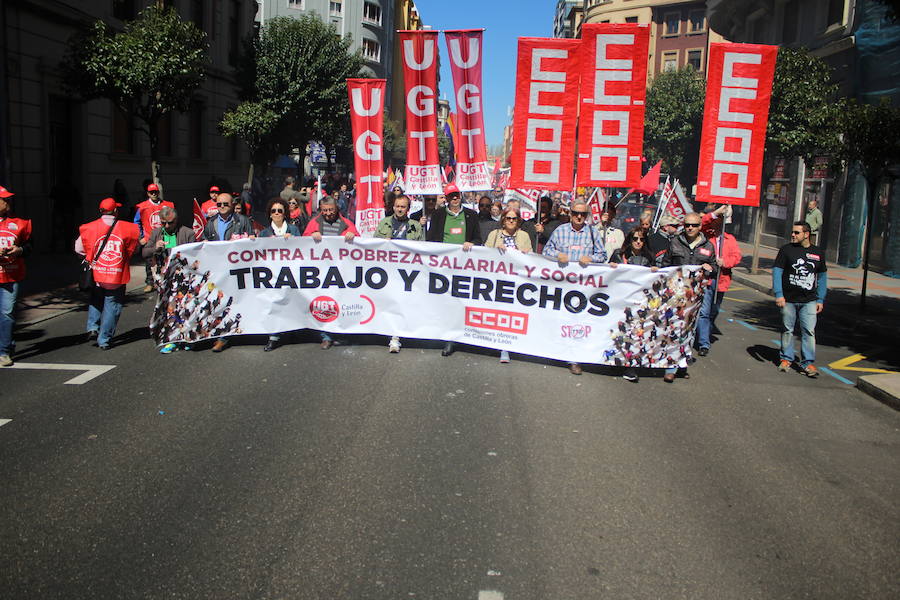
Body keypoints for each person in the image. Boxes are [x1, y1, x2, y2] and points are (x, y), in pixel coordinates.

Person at [542, 200, 607, 375]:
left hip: (583, 287)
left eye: (583, 214)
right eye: (576, 213)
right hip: (562, 284)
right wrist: (558, 255)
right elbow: (546, 251)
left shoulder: (593, 233)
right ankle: (557, 350)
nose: (579, 217)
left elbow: (602, 255)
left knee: (578, 322)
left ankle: (575, 359)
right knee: (561, 319)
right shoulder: (560, 231)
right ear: (570, 213)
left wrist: (591, 259)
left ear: (587, 216)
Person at [75, 198, 140, 350]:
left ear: (100, 211)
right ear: (116, 211)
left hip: (97, 273)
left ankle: (92, 327)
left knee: (96, 299)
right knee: (113, 305)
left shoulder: (89, 228)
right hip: (116, 274)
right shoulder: (128, 228)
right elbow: (134, 250)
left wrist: (90, 255)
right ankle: (104, 339)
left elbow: (79, 248)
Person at [426, 183, 481, 357]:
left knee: (459, 301)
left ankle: (455, 337)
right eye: (451, 196)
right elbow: (431, 239)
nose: (455, 198)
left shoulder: (471, 215)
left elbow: (478, 238)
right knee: (443, 301)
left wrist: (472, 243)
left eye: (456, 195)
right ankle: (446, 335)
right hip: (443, 266)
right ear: (446, 198)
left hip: (464, 266)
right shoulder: (437, 214)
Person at [663, 212, 716, 382]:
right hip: (677, 292)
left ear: (700, 226)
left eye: (694, 225)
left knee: (690, 329)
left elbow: (714, 267)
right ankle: (670, 367)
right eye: (687, 225)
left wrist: (711, 267)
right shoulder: (675, 242)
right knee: (675, 327)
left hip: (698, 293)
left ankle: (682, 364)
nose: (690, 228)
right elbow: (665, 265)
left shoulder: (708, 246)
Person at [773, 221, 827, 378]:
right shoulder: (786, 250)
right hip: (788, 299)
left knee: (809, 332)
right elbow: (777, 272)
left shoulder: (818, 253)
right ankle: (786, 359)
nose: (793, 235)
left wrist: (820, 299)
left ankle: (808, 362)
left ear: (806, 234)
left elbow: (822, 277)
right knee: (787, 329)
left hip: (809, 300)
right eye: (792, 232)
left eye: (796, 232)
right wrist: (779, 294)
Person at [303, 197, 359, 349]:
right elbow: (302, 244)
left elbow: (360, 245)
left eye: (330, 210)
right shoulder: (314, 223)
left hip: (341, 271)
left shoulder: (347, 224)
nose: (327, 213)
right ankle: (326, 336)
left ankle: (340, 333)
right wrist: (310, 236)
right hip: (321, 271)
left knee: (341, 301)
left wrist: (353, 236)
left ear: (337, 209)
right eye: (324, 210)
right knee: (323, 302)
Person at [202, 193, 254, 352]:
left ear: (232, 204)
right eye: (219, 204)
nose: (222, 207)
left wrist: (252, 239)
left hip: (237, 269)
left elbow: (252, 243)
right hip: (218, 270)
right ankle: (218, 333)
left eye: (225, 204)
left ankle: (225, 337)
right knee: (217, 301)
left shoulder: (243, 221)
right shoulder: (211, 223)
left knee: (234, 302)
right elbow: (205, 242)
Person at [608, 227, 661, 382]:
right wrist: (611, 267)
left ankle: (630, 366)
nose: (638, 242)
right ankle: (615, 360)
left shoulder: (649, 257)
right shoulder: (618, 254)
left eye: (642, 239)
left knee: (634, 333)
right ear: (629, 240)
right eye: (635, 239)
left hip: (638, 302)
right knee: (617, 330)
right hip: (619, 299)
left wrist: (656, 271)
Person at [142, 206, 196, 354]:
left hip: (183, 278)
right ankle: (172, 340)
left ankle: (187, 338)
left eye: (170, 223)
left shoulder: (188, 233)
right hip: (164, 279)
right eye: (163, 223)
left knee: (186, 309)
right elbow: (144, 252)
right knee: (169, 311)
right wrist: (155, 248)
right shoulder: (156, 233)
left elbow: (196, 256)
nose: (166, 226)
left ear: (176, 220)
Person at [374, 194, 424, 353]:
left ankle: (397, 335)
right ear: (393, 207)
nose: (400, 209)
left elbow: (423, 248)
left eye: (403, 207)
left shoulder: (416, 225)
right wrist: (383, 242)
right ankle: (393, 335)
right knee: (390, 302)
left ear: (408, 209)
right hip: (387, 271)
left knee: (403, 302)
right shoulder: (384, 223)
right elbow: (373, 245)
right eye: (397, 206)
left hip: (407, 271)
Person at [485, 207, 533, 363]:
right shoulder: (494, 235)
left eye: (514, 218)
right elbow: (482, 255)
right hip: (497, 280)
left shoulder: (524, 235)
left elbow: (532, 258)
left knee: (512, 313)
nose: (511, 221)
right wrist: (494, 250)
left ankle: (509, 345)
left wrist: (525, 253)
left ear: (518, 220)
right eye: (508, 218)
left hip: (517, 282)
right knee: (499, 312)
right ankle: (500, 345)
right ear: (503, 220)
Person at [695, 207, 743, 356]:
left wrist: (725, 262)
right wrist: (716, 212)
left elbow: (737, 256)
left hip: (721, 280)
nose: (717, 222)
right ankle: (704, 343)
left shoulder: (730, 239)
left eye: (720, 219)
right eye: (716, 219)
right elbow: (701, 222)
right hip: (706, 279)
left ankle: (703, 333)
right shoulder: (705, 236)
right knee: (703, 312)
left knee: (713, 312)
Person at [258, 198, 303, 352]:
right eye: (273, 211)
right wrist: (251, 242)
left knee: (291, 301)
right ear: (269, 214)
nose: (276, 213)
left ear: (285, 213)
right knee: (273, 303)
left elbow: (303, 249)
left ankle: (293, 330)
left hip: (290, 271)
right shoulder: (264, 233)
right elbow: (256, 254)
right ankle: (273, 336)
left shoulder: (293, 230)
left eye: (280, 210)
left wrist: (294, 240)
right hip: (271, 275)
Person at [0, 186, 32, 366]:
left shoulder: (19, 223)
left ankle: (3, 351)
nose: (8, 202)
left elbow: (30, 247)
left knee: (6, 313)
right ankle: (7, 343)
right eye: (4, 199)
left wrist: (19, 250)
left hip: (11, 276)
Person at [134, 183, 175, 293]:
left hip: (167, 237)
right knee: (149, 262)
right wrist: (140, 236)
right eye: (151, 192)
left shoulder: (168, 205)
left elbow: (174, 219)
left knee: (168, 259)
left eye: (155, 192)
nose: (154, 194)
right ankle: (150, 282)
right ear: (147, 193)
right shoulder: (142, 207)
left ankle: (167, 280)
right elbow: (136, 222)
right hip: (149, 237)